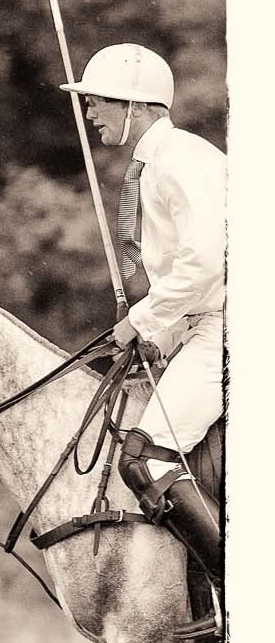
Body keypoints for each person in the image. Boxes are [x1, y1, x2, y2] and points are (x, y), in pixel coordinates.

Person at [60, 44, 225, 586]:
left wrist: (145, 319)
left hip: (228, 331)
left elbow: (204, 263)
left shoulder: (179, 160)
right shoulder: (161, 162)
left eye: (99, 102)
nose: (91, 114)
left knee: (144, 457)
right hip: (207, 326)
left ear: (137, 105)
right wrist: (163, 333)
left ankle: (240, 589)